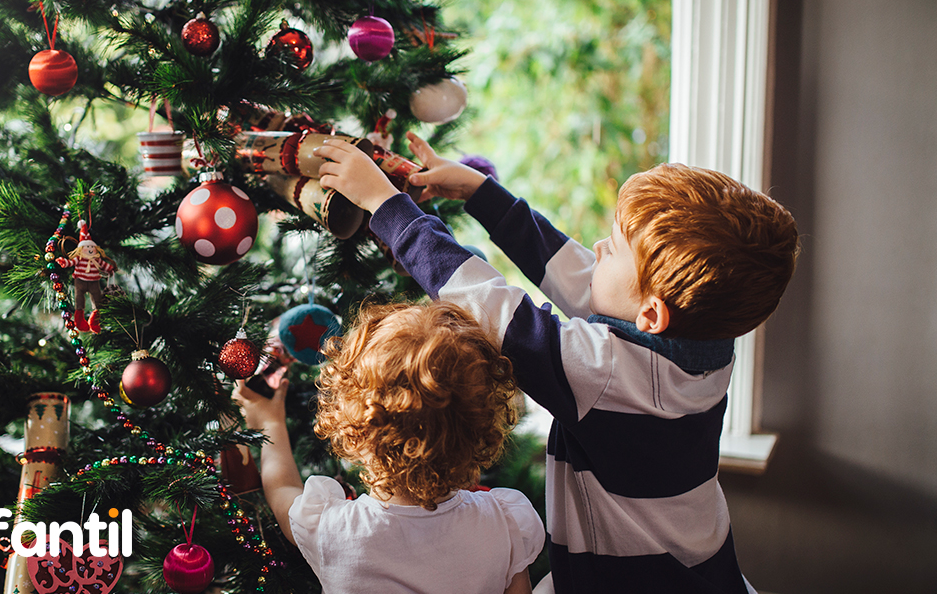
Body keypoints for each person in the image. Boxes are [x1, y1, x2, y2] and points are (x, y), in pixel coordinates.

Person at [312, 132, 799, 594]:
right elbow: (576, 273)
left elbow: (491, 305)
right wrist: (482, 193)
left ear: (651, 315)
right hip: (704, 568)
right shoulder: (703, 344)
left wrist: (386, 205)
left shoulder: (606, 373)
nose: (598, 250)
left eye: (613, 249)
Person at [234, 300, 544, 594]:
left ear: (355, 432)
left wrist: (270, 422)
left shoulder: (333, 530)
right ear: (479, 428)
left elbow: (281, 489)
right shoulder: (505, 524)